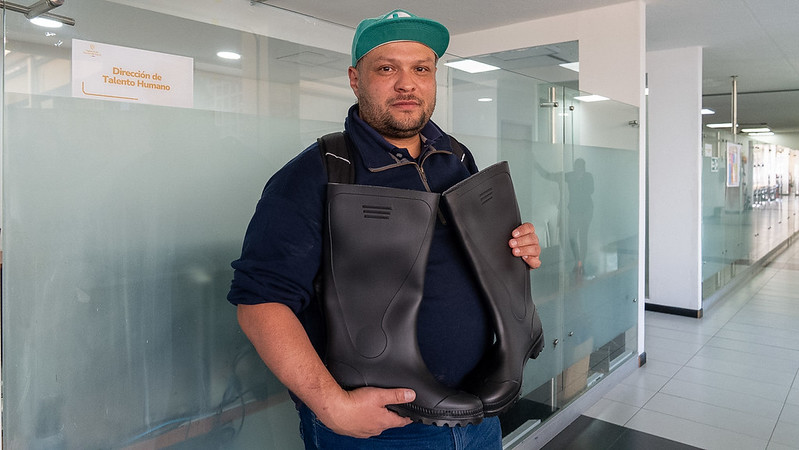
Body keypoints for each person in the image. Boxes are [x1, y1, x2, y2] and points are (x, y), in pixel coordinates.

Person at [227, 9, 541, 449]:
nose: (407, 84)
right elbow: (260, 303)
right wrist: (332, 406)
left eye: (421, 69)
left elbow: (466, 257)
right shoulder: (317, 173)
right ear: (355, 80)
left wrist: (517, 246)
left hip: (477, 409)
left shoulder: (455, 157)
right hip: (380, 428)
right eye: (387, 69)